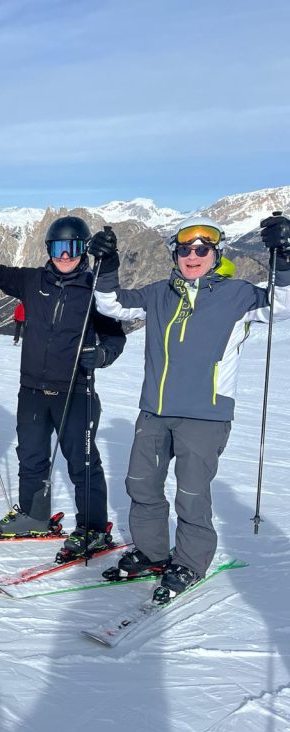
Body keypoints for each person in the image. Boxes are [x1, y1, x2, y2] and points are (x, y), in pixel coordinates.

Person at [92, 214, 290, 597]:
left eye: (202, 249)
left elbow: (282, 306)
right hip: (155, 411)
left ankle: (189, 561)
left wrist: (284, 258)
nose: (193, 256)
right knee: (141, 484)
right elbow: (111, 305)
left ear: (216, 253)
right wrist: (108, 267)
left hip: (206, 415)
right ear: (175, 253)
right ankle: (151, 553)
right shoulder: (158, 293)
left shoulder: (239, 295)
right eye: (185, 249)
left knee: (192, 493)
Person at [0, 214, 126, 554]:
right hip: (34, 390)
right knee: (32, 455)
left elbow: (115, 338)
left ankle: (93, 527)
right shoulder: (31, 280)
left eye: (72, 247)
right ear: (48, 248)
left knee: (82, 461)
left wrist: (101, 355)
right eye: (57, 247)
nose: (64, 255)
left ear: (82, 250)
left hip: (75, 390)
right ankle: (35, 515)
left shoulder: (95, 289)